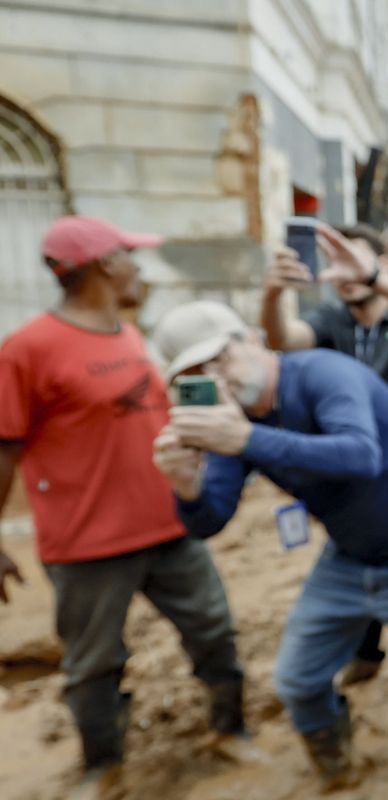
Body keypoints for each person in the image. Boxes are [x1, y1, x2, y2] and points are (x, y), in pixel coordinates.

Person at [149, 301, 388, 790]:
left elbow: (359, 453)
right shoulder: (237, 424)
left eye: (219, 360)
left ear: (252, 339)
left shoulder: (323, 373)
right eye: (195, 375)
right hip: (349, 556)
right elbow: (211, 520)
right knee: (296, 678)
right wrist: (186, 485)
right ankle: (336, 762)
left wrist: (246, 437)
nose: (216, 378)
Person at [0, 217, 249, 794]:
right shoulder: (27, 351)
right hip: (87, 543)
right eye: (131, 257)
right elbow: (5, 449)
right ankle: (102, 768)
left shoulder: (130, 335)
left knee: (214, 629)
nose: (140, 268)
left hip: (169, 526)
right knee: (92, 663)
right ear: (105, 266)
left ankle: (229, 730)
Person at [262, 222, 388, 686]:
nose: (343, 274)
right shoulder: (332, 323)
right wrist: (272, 293)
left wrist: (373, 277)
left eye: (354, 262)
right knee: (362, 566)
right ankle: (367, 655)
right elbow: (281, 341)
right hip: (358, 482)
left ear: (381, 266)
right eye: (337, 264)